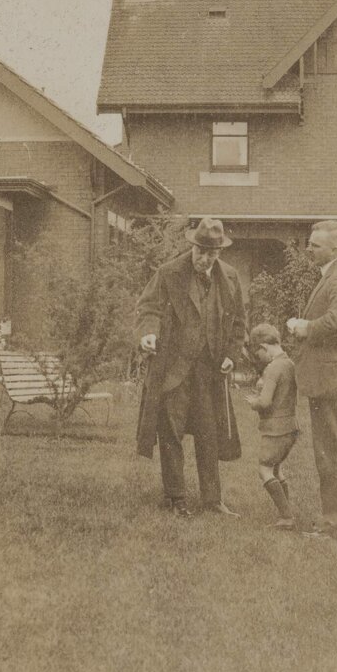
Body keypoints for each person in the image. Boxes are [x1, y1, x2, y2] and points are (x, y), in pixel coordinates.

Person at [134, 217, 245, 517]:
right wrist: (148, 333)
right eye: (200, 251)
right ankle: (176, 498)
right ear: (192, 245)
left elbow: (238, 325)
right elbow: (149, 308)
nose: (204, 258)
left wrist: (232, 355)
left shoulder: (230, 278)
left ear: (219, 253)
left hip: (208, 373)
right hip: (173, 370)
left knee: (209, 433)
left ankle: (212, 500)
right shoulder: (169, 273)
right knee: (171, 431)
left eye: (211, 253)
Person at [287, 220, 337, 540]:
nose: (308, 249)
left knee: (331, 452)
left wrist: (306, 327)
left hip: (332, 378)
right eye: (309, 243)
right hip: (333, 376)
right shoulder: (335, 275)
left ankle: (334, 526)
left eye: (315, 245)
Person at [244, 323, 299, 530]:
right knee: (277, 469)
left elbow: (265, 402)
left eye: (258, 355)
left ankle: (286, 517)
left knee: (264, 470)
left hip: (275, 429)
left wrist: (253, 403)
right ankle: (286, 511)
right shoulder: (290, 364)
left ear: (264, 347)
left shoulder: (273, 368)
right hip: (291, 427)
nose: (259, 360)